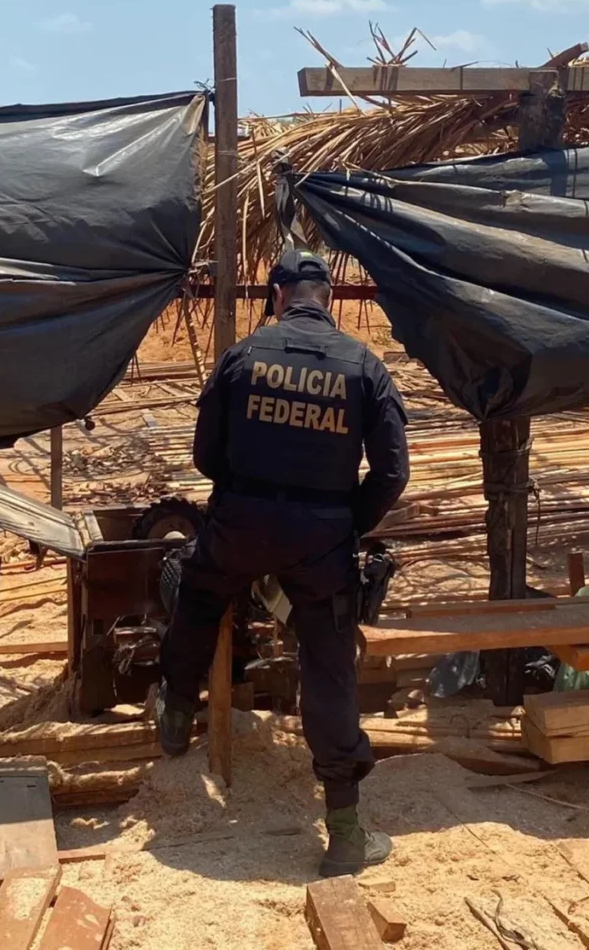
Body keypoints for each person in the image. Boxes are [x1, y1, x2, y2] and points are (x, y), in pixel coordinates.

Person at [158, 250, 409, 876]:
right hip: (321, 539)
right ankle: (345, 831)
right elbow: (393, 472)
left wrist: (249, 494)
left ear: (278, 297)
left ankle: (177, 712)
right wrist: (346, 519)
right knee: (328, 665)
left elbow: (205, 457)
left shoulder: (243, 357)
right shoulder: (365, 366)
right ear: (328, 297)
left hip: (240, 523)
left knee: (198, 593)